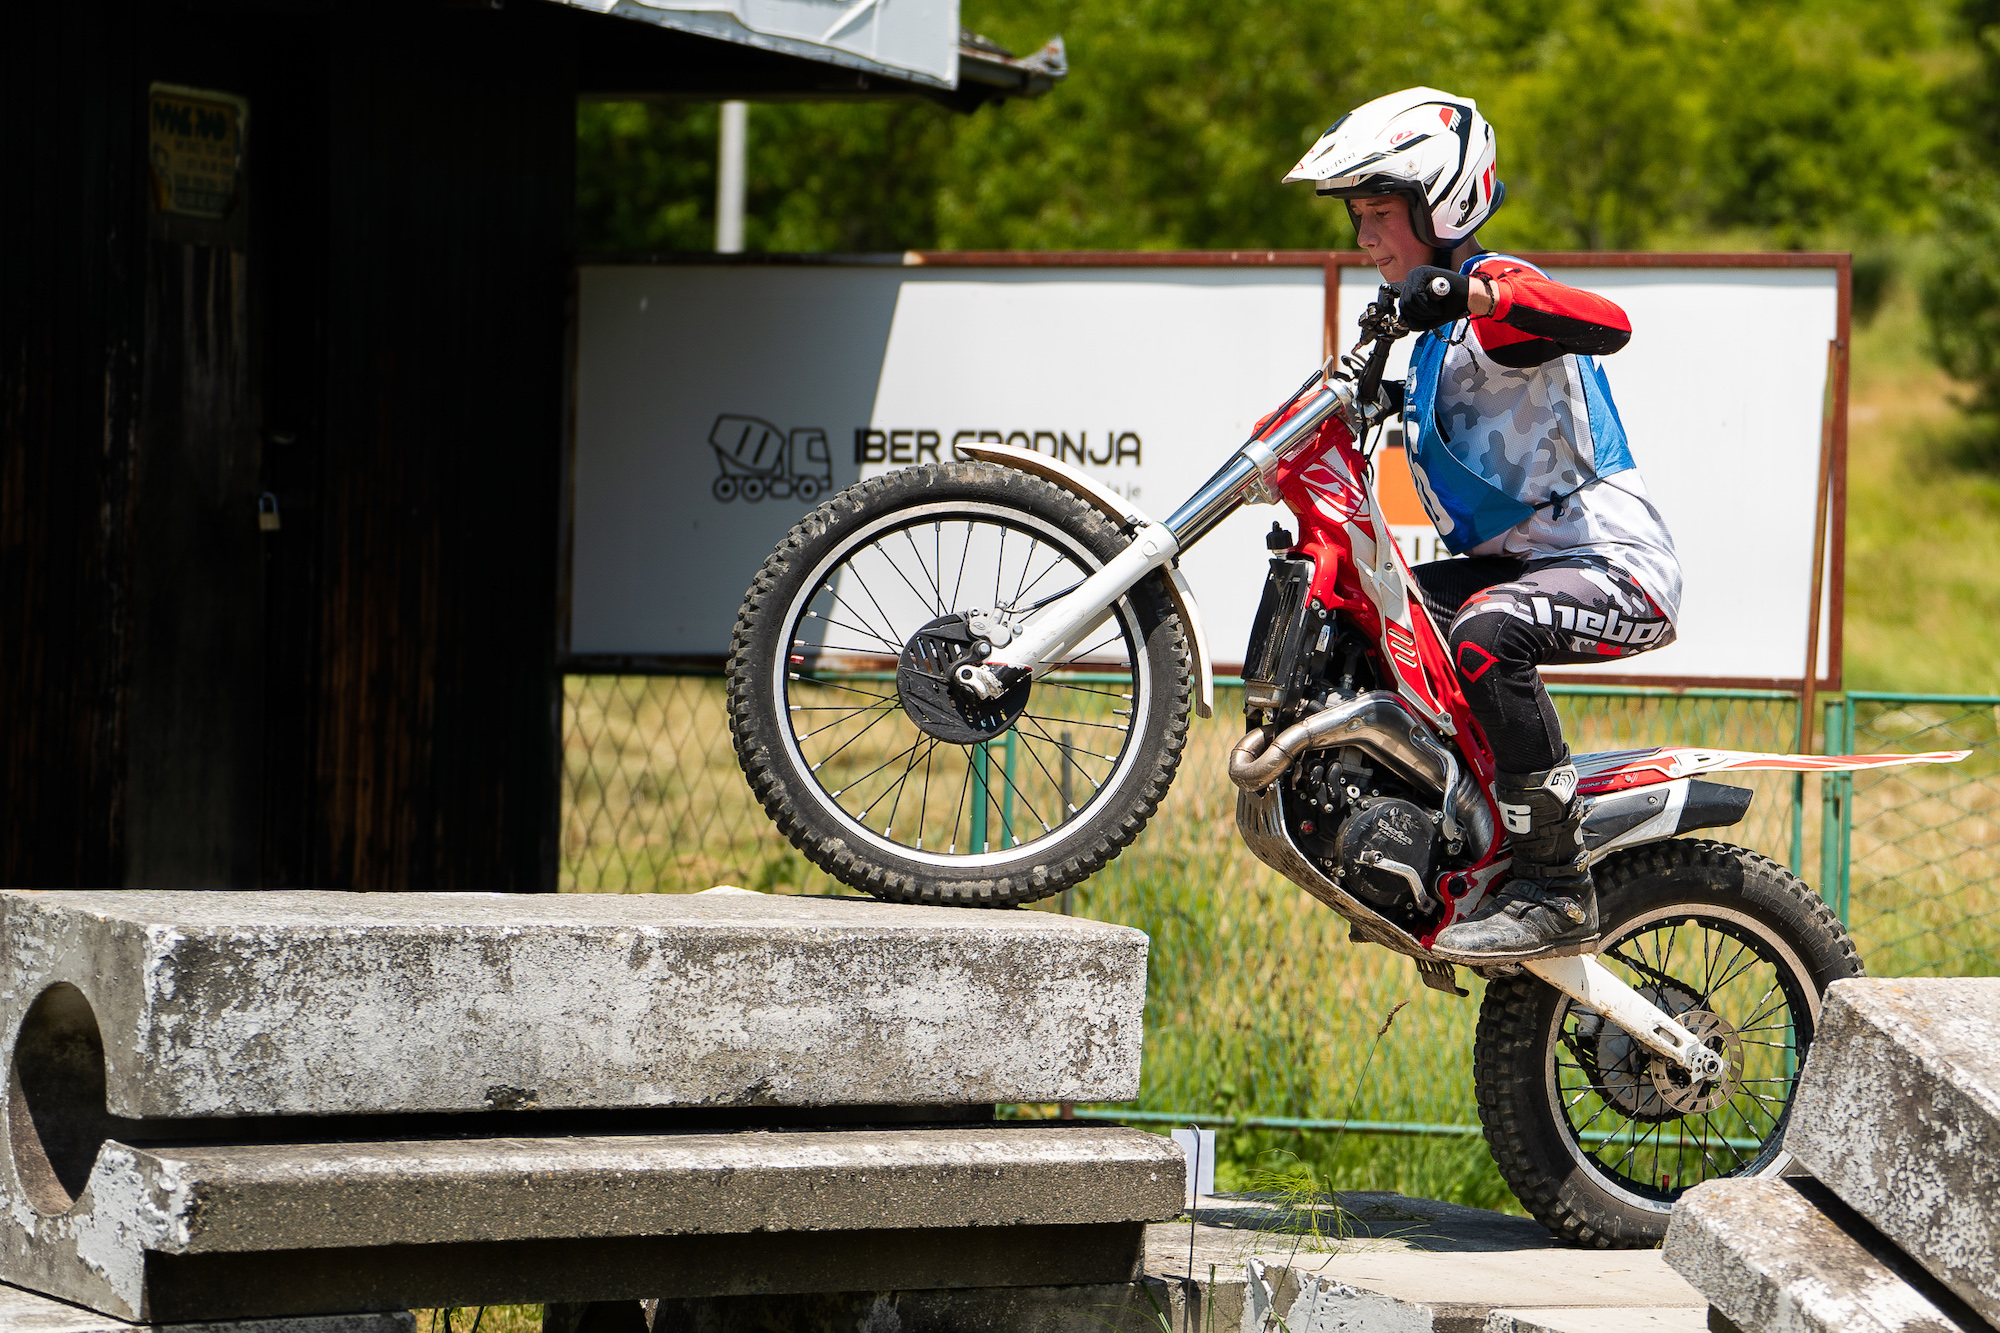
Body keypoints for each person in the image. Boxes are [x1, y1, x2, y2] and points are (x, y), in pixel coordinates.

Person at [1283, 88, 1682, 962]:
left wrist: (1473, 289)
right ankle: (1434, 834)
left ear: (1442, 203)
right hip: (1526, 566)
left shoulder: (1496, 305)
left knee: (1485, 632)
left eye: (1380, 212)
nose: (1365, 236)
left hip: (1614, 567)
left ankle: (1556, 884)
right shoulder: (1434, 337)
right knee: (1380, 618)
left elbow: (1607, 323)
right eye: (1357, 216)